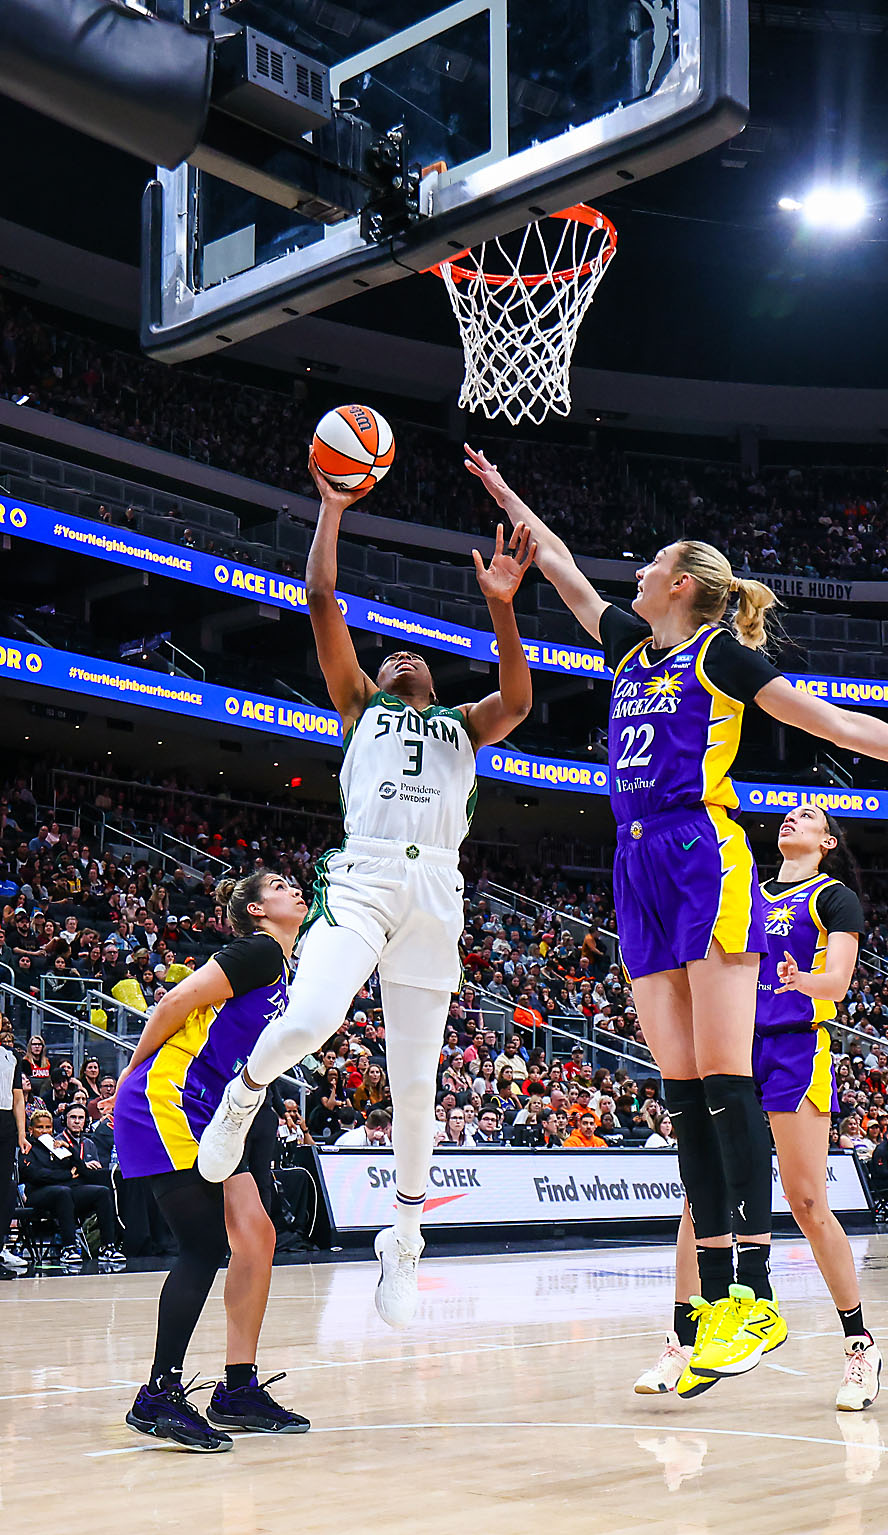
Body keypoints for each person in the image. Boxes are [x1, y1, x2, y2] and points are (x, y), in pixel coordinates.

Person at [466, 444, 888, 1384]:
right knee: (682, 1086)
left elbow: (840, 726)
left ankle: (752, 1297)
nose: (638, 569)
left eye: (655, 560)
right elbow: (561, 566)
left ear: (687, 585)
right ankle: (713, 1312)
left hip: (702, 851)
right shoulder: (627, 645)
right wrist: (501, 492)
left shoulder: (719, 656)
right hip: (634, 859)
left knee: (726, 1079)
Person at [196, 459, 536, 1332]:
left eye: (415, 656)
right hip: (365, 874)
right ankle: (244, 1095)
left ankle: (405, 1238)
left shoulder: (467, 725)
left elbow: (520, 698)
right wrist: (329, 508)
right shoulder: (358, 707)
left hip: (438, 890)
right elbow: (321, 599)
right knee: (310, 1019)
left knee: (416, 1085)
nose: (404, 656)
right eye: (392, 657)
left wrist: (502, 606)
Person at [638, 807, 883, 1410]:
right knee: (704, 1197)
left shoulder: (836, 898)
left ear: (827, 842)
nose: (793, 819)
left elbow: (839, 984)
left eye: (810, 818)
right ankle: (683, 1338)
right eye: (789, 814)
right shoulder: (740, 889)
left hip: (798, 1047)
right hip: (736, 1049)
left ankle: (859, 1347)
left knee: (805, 1200)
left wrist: (805, 981)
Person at [111, 870, 311, 1452]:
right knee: (203, 1246)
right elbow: (175, 1001)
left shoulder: (288, 971)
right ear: (254, 909)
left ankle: (238, 1390)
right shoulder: (258, 952)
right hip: (167, 1098)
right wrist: (133, 1070)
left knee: (258, 1236)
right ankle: (159, 1394)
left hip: (218, 1110)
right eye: (278, 884)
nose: (295, 889)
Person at [20, 1108, 124, 1267]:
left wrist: (70, 1149)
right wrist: (67, 1175)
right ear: (31, 1129)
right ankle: (68, 1248)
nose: (44, 1131)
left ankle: (107, 1247)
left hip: (64, 1190)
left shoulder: (57, 1146)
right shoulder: (27, 1148)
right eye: (40, 1127)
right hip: (38, 1192)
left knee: (101, 1192)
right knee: (63, 1192)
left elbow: (82, 1170)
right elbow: (37, 1175)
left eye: (48, 1127)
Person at [0, 1030, 29, 1277]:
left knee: (6, 1192)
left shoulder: (11, 1057)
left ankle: (0, 1249)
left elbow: (18, 1098)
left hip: (5, 1123)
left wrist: (21, 1133)